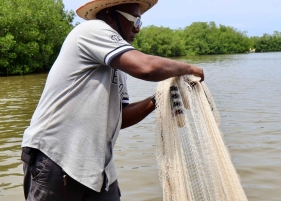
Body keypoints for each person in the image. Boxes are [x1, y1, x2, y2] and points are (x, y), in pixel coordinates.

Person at [21, 0, 204, 200]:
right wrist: (189, 68)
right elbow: (146, 67)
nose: (137, 28)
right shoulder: (92, 30)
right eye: (134, 20)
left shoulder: (116, 63)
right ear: (110, 14)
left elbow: (120, 117)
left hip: (98, 167)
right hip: (57, 158)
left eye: (139, 22)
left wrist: (157, 99)